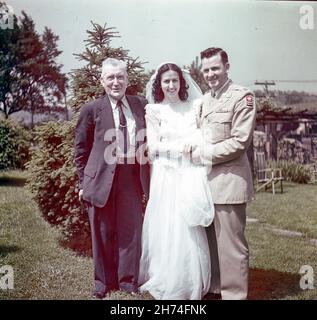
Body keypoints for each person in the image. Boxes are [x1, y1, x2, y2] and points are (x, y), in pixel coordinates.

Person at [74, 58, 150, 299]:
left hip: (131, 177)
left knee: (131, 230)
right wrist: (83, 184)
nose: (116, 82)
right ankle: (102, 284)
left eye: (120, 77)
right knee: (102, 231)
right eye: (111, 77)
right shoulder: (91, 109)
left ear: (127, 80)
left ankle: (128, 282)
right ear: (102, 81)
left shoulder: (141, 106)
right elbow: (80, 150)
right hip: (99, 179)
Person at [138, 62, 214, 300]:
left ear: (182, 82)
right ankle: (168, 276)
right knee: (168, 225)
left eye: (174, 80)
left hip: (190, 172)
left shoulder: (195, 106)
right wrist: (182, 147)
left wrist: (197, 142)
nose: (171, 85)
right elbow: (153, 146)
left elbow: (205, 134)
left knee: (188, 225)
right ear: (159, 85)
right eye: (166, 81)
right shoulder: (154, 110)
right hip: (166, 173)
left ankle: (190, 278)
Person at [189, 47, 256, 300]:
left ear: (227, 67)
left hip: (229, 183)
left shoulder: (242, 97)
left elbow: (240, 142)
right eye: (206, 70)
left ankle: (235, 295)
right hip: (203, 184)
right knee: (211, 245)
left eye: (215, 68)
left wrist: (204, 153)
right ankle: (215, 290)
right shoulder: (204, 100)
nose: (210, 74)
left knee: (231, 247)